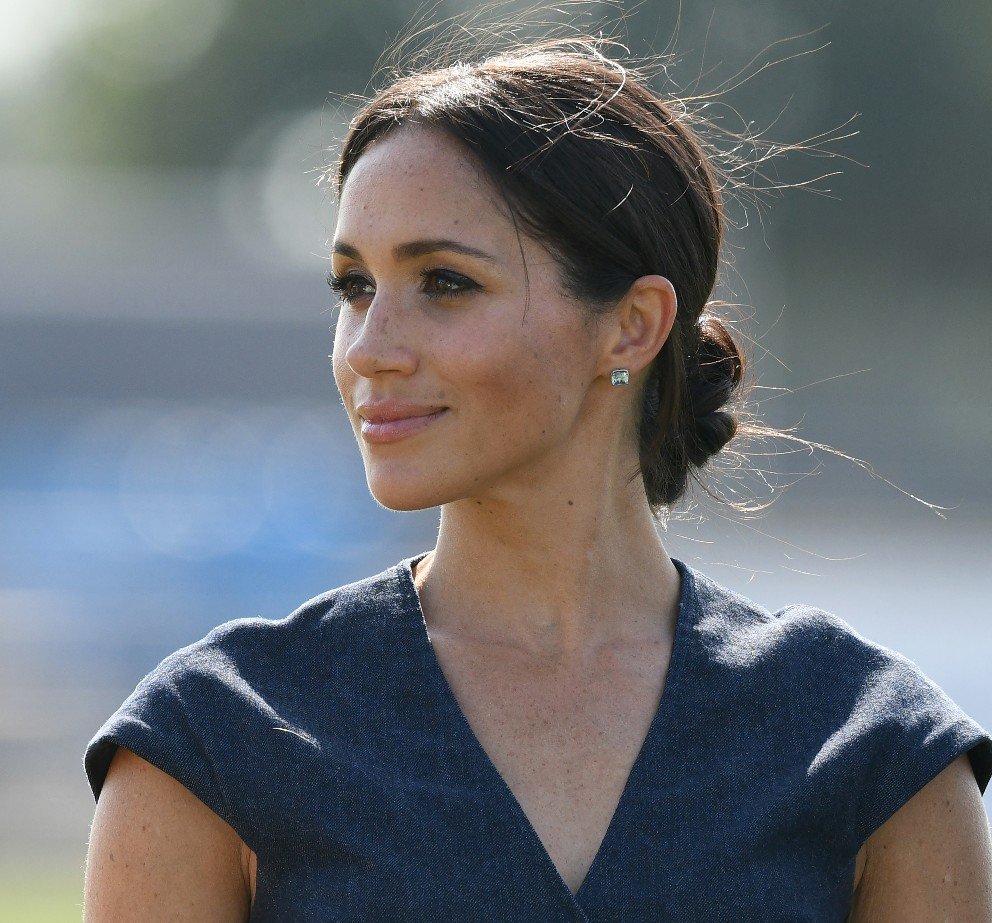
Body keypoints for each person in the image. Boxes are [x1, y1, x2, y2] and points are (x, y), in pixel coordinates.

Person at [80, 31, 992, 923]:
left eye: (443, 282)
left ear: (631, 326)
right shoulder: (216, 736)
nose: (369, 350)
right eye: (354, 287)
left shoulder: (870, 743)